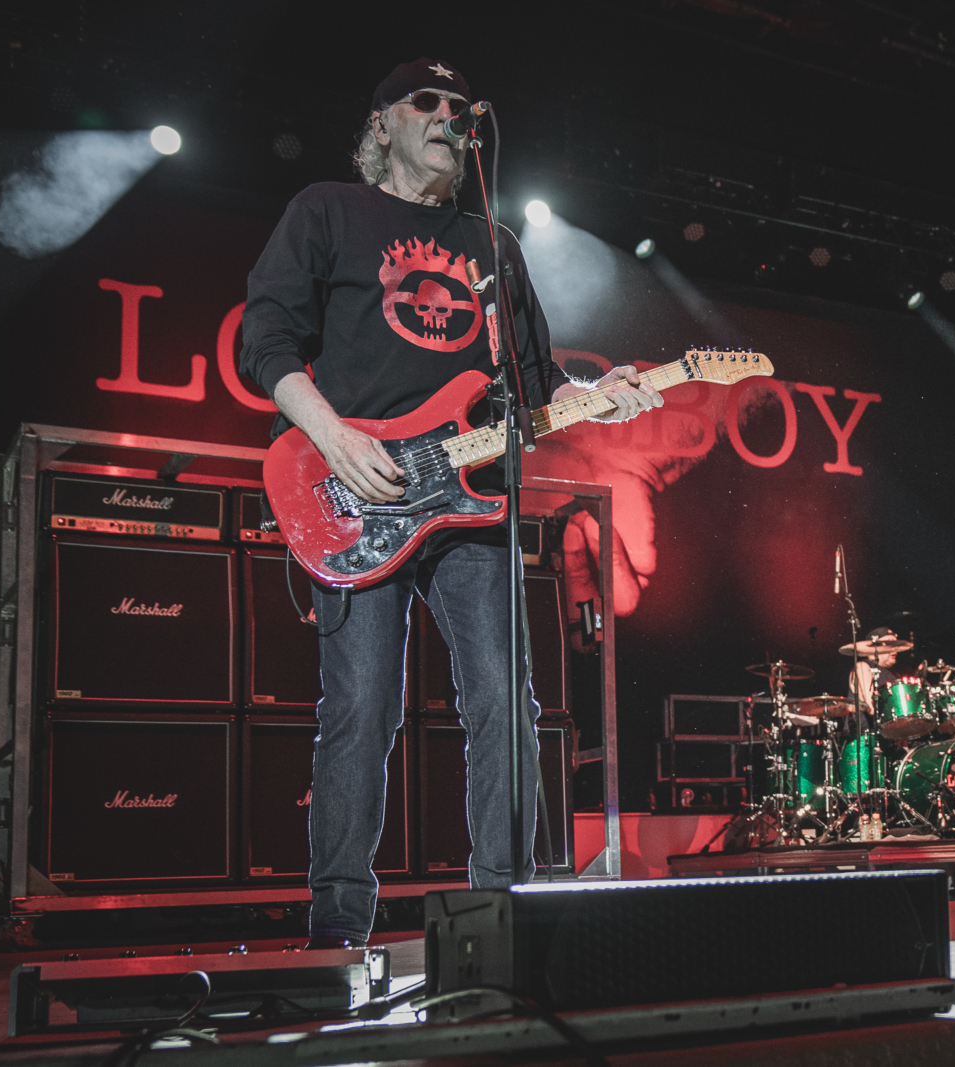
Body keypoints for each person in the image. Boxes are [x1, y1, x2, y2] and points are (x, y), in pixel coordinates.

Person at [239, 58, 661, 949]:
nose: (449, 115)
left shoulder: (492, 244)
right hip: (358, 491)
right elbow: (264, 338)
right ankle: (338, 926)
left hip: (472, 506)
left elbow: (536, 393)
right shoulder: (327, 209)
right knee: (362, 709)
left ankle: (505, 916)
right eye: (425, 102)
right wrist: (338, 440)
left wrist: (605, 390)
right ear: (381, 125)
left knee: (507, 701)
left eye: (460, 106)